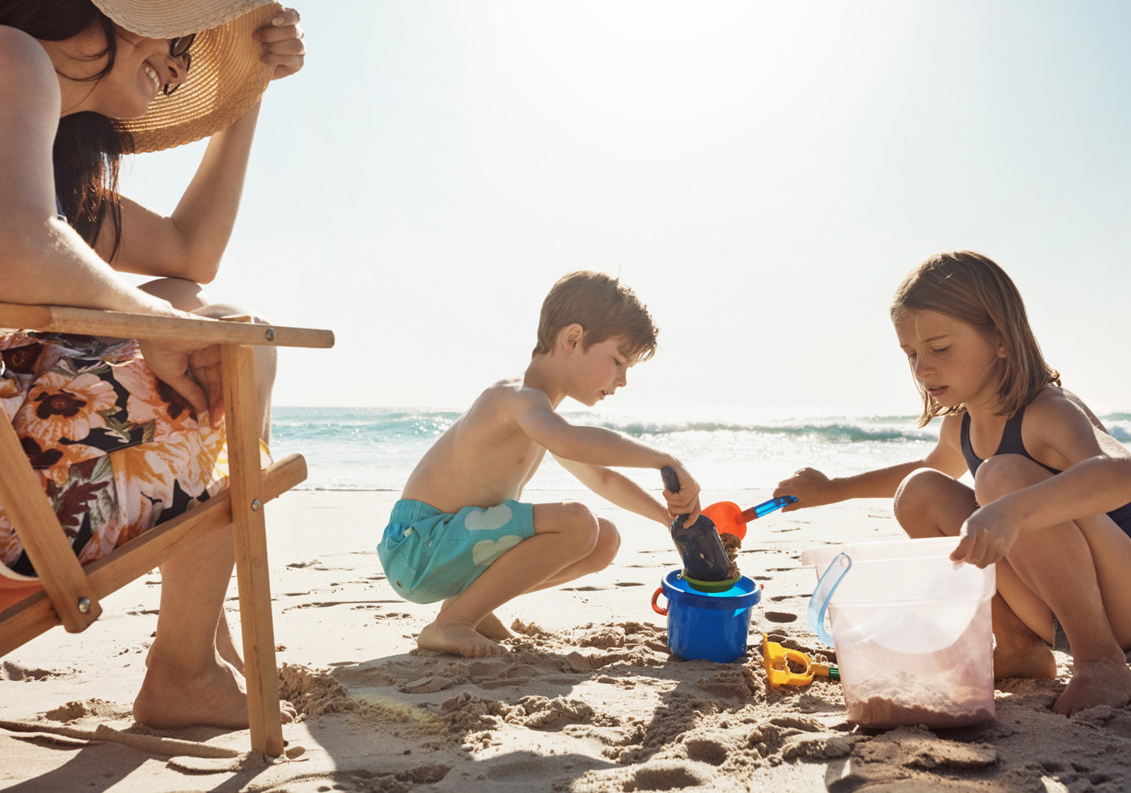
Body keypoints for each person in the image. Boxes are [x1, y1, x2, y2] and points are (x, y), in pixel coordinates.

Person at [0, 0, 305, 728]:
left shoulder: (39, 165)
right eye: (178, 39)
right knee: (232, 344)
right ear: (105, 2)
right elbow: (5, 247)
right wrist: (165, 330)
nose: (180, 68)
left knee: (194, 306)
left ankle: (201, 647)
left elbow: (189, 252)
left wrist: (246, 97)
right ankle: (188, 663)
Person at [774, 251, 1131, 715]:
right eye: (911, 354)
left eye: (940, 349)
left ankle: (1100, 661)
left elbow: (1121, 473)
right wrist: (833, 488)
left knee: (1001, 476)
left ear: (1000, 340)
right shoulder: (959, 426)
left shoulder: (1047, 410)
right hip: (1054, 608)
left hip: (1118, 597)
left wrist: (1017, 508)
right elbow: (922, 476)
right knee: (919, 491)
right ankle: (1018, 647)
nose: (922, 368)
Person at [377, 270, 703, 658]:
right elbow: (571, 440)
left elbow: (601, 476)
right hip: (418, 545)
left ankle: (470, 608)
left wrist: (668, 520)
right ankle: (452, 623)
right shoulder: (517, 399)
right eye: (617, 361)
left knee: (604, 540)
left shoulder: (540, 416)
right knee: (577, 523)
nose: (622, 380)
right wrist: (664, 460)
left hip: (448, 545)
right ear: (573, 339)